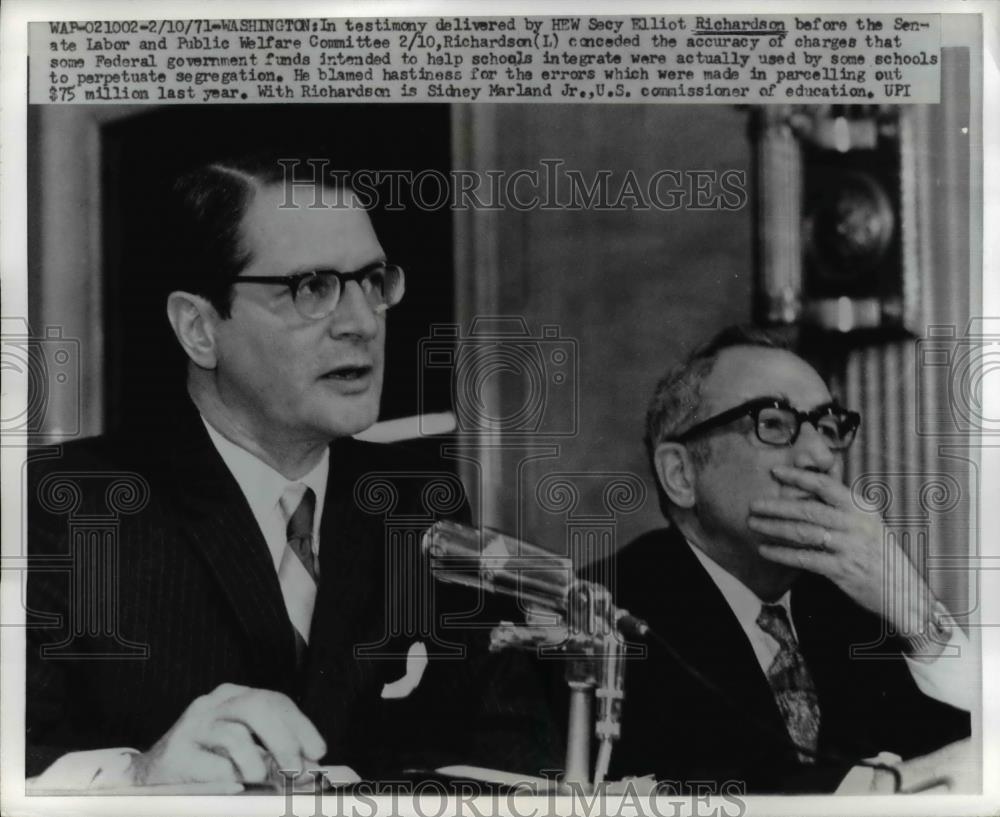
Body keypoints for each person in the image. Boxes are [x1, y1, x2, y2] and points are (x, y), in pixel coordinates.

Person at [26, 157, 558, 789]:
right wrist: (136, 780)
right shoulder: (62, 507)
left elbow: (517, 763)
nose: (361, 323)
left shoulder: (420, 503)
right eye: (313, 288)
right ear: (199, 329)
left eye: (373, 281)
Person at [602, 325, 972, 793]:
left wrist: (914, 608)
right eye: (774, 423)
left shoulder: (850, 602)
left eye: (829, 427)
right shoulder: (607, 614)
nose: (821, 456)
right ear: (681, 474)